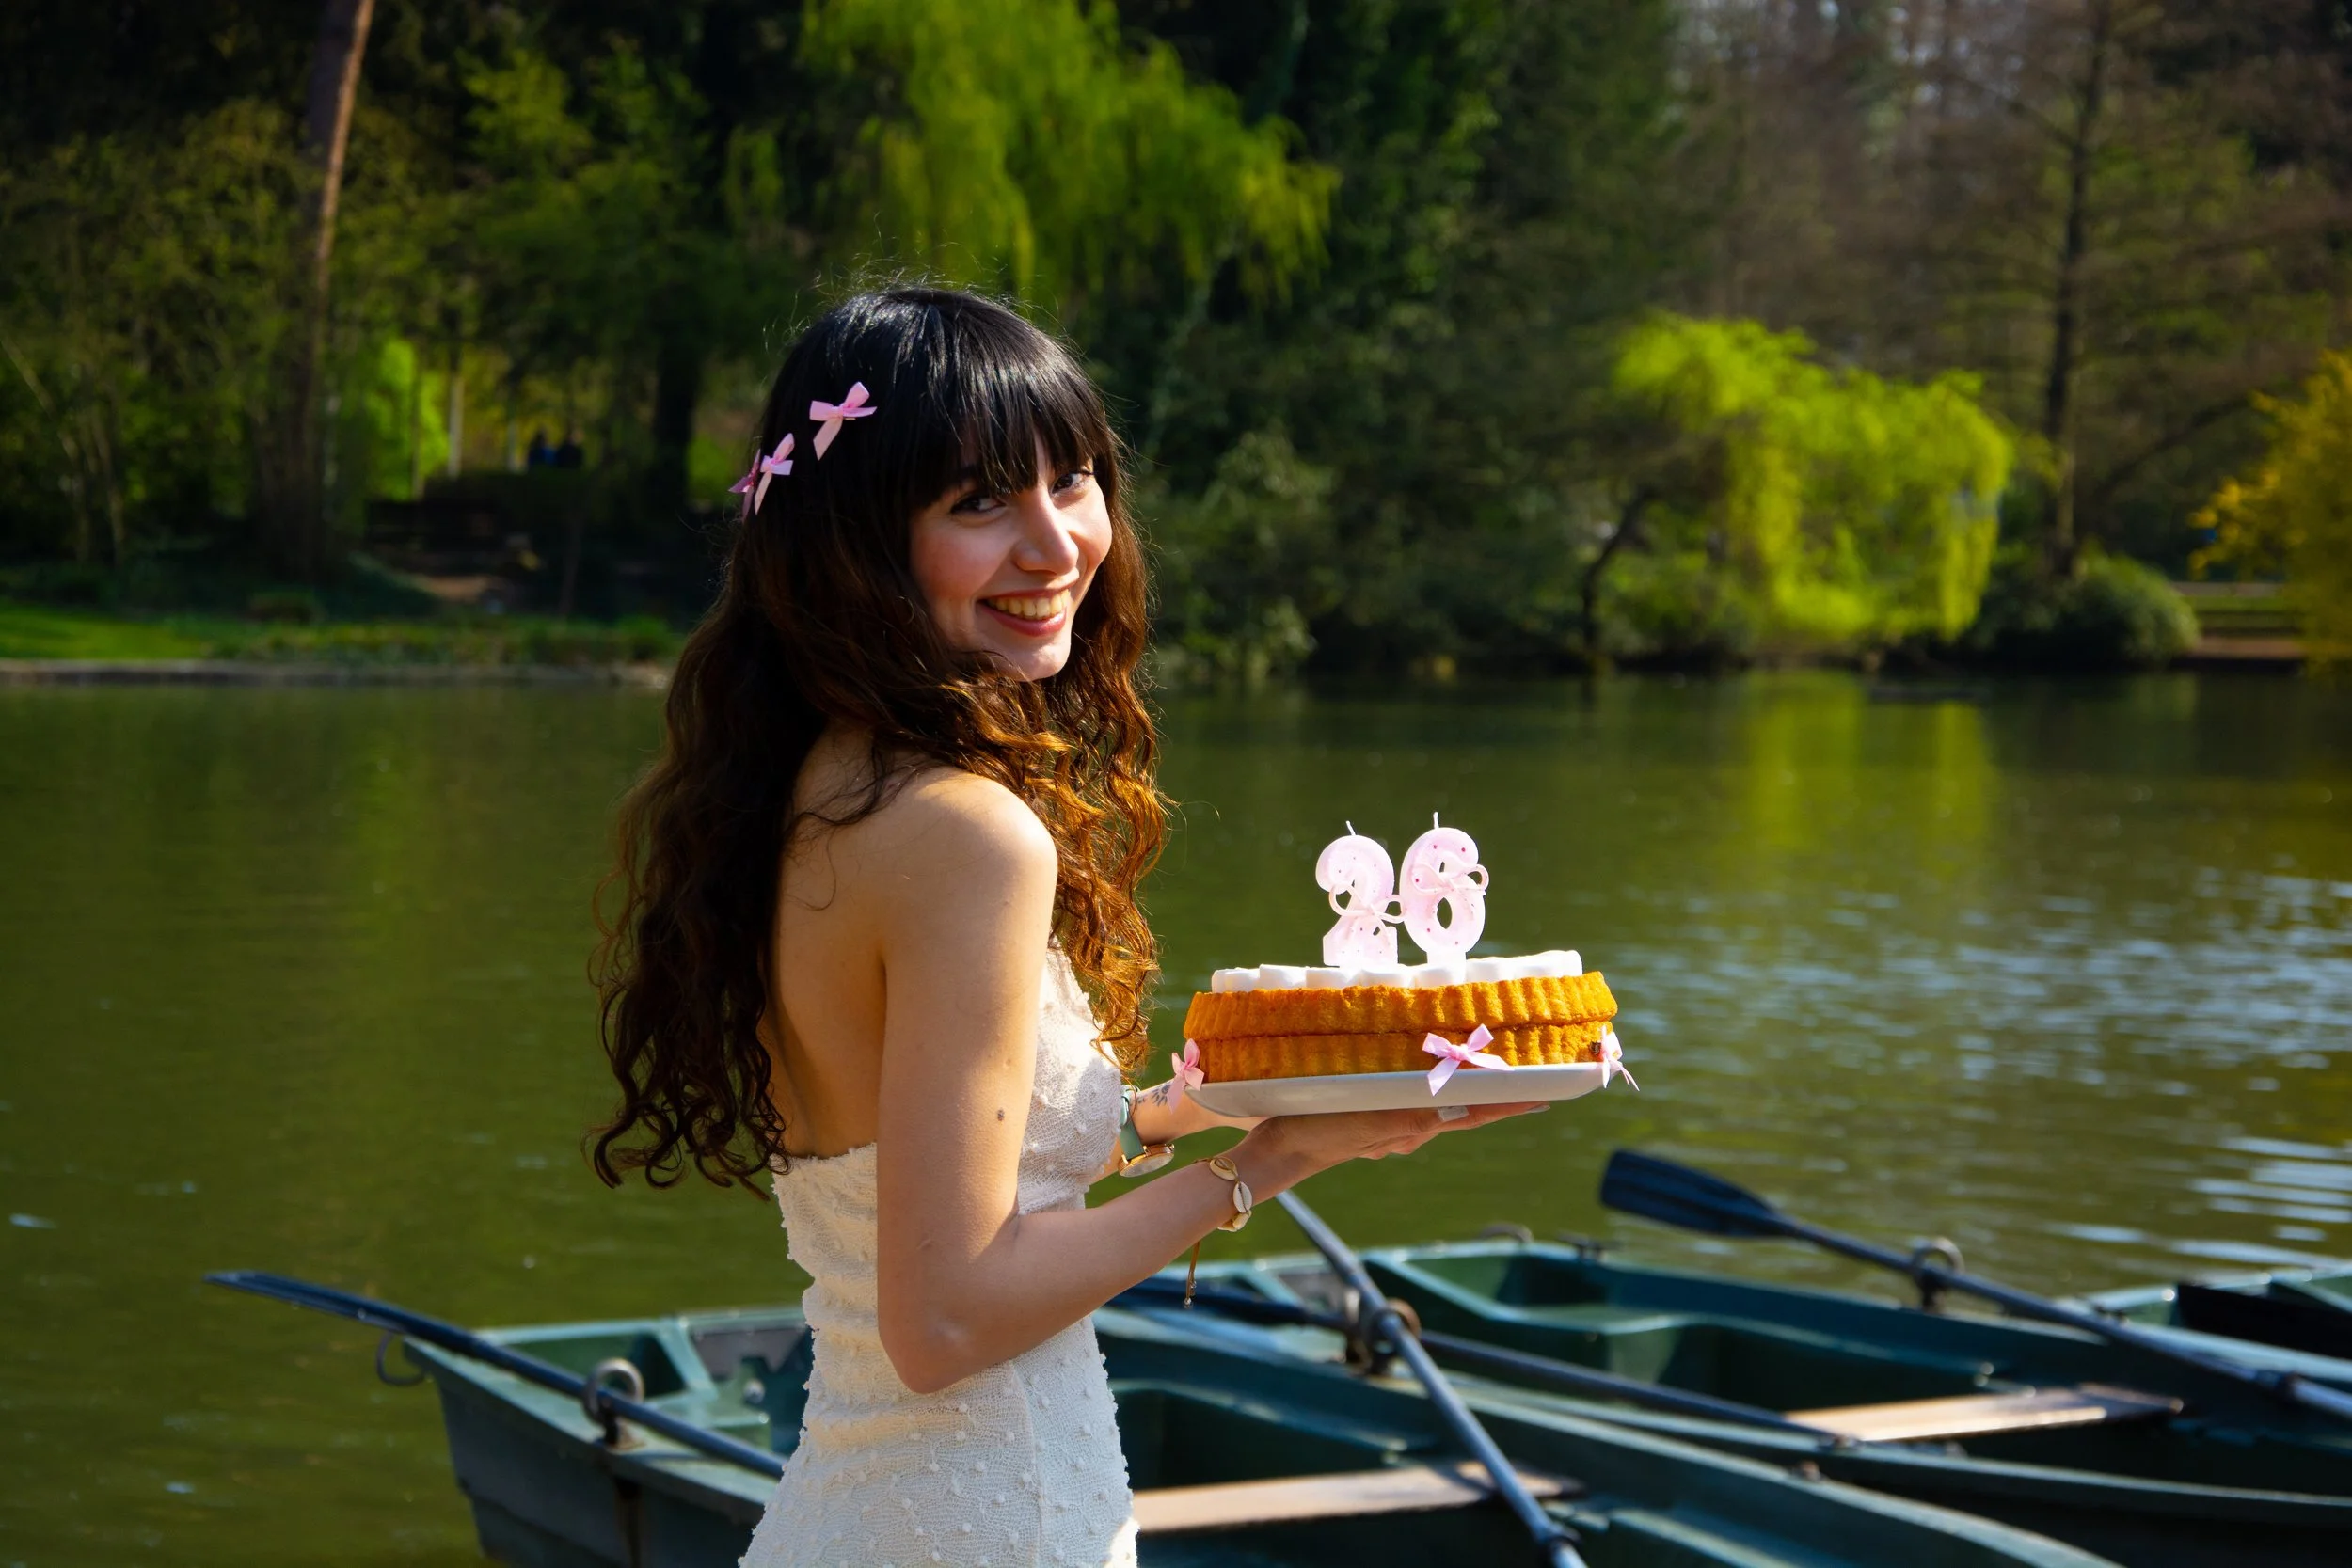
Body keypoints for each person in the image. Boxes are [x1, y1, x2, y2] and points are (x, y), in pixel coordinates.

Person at [590, 287, 1537, 1568]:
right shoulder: (966, 835)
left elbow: (937, 1159)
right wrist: (1274, 1162)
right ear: (858, 539)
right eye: (979, 501)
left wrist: (1234, 1099)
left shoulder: (801, 789)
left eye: (1075, 481)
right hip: (990, 1516)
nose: (1057, 544)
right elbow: (951, 1315)